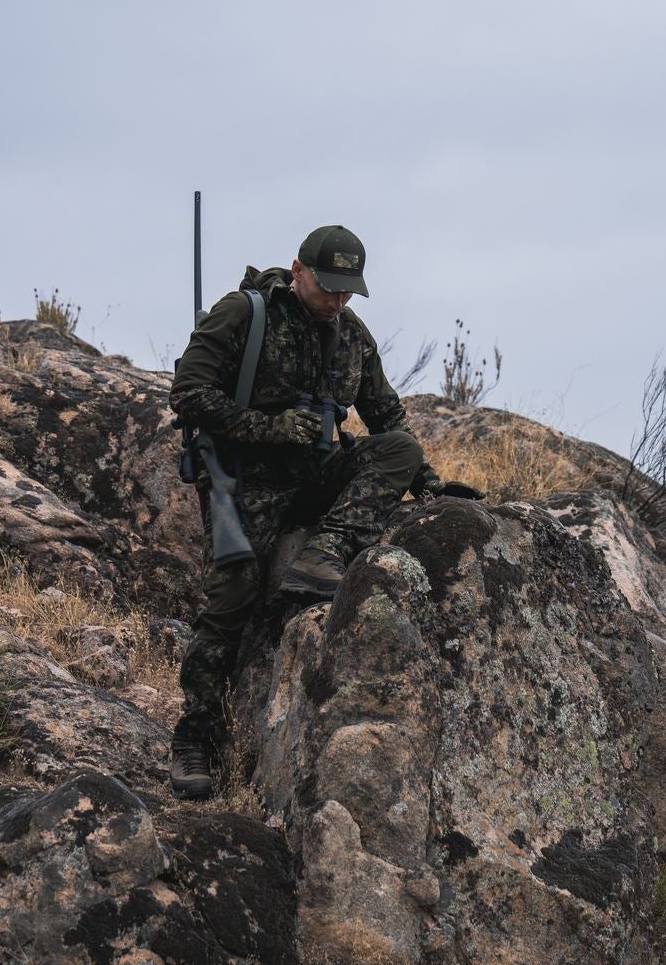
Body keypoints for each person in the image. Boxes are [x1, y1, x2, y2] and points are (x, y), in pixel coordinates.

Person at [166, 224, 455, 799]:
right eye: (328, 288)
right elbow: (188, 393)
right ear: (298, 270)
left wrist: (430, 486)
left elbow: (386, 416)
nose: (338, 301)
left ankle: (325, 553)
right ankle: (195, 738)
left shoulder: (352, 335)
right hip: (246, 482)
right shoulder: (243, 315)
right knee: (232, 598)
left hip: (316, 477)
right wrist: (268, 426)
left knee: (401, 450)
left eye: (349, 292)